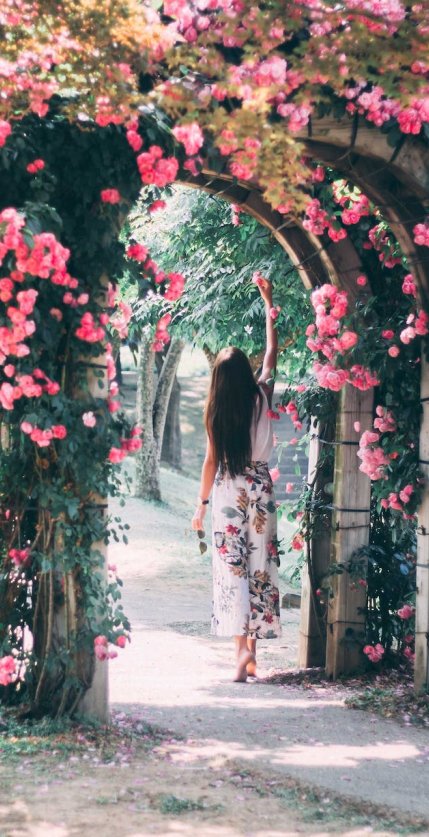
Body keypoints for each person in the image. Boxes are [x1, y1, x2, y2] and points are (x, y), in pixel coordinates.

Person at [191, 274, 280, 682]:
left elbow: (210, 462)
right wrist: (268, 303)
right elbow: (272, 352)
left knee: (232, 568)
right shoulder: (261, 395)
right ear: (245, 374)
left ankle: (241, 651)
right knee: (260, 566)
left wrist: (200, 505)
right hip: (260, 489)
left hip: (227, 490)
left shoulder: (216, 412)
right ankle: (253, 653)